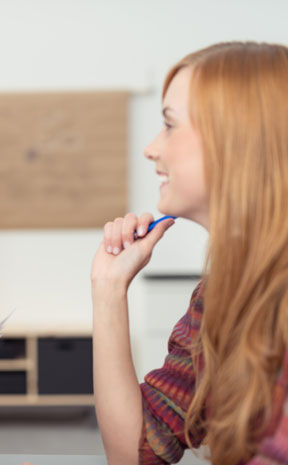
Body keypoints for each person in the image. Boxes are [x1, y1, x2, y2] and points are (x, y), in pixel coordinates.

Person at [90, 41, 288, 464]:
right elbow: (136, 453)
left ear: (238, 140)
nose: (151, 149)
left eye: (170, 125)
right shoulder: (219, 296)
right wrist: (108, 289)